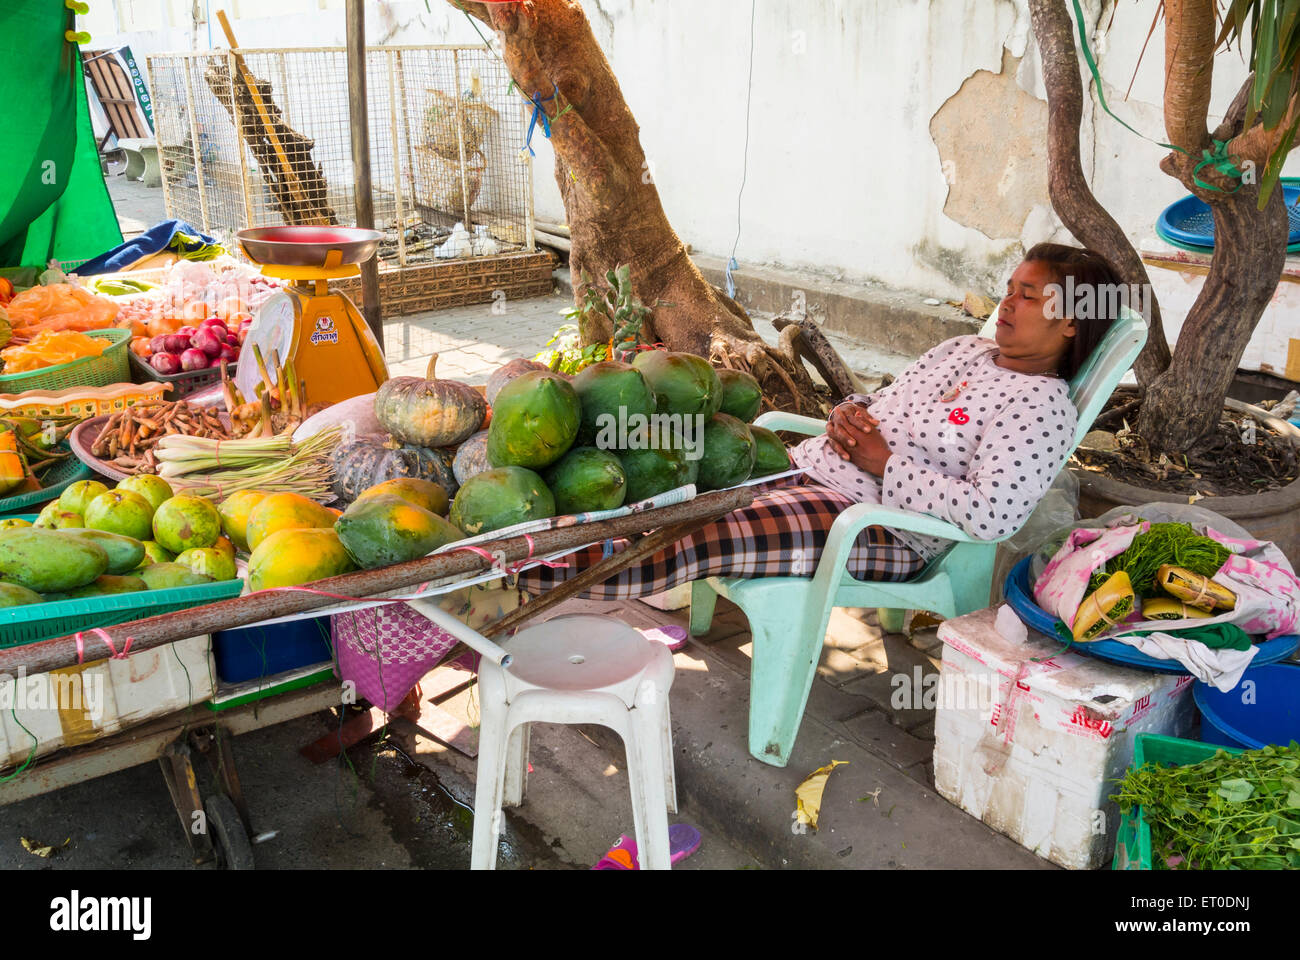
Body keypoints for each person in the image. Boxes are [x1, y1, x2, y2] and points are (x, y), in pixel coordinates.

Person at [519, 243, 1125, 600]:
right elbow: (884, 407)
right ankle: (524, 539)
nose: (1008, 304)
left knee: (698, 535)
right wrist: (846, 420)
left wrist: (884, 463)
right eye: (1010, 288)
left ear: (1071, 321)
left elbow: (992, 515)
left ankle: (531, 578)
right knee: (675, 491)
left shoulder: (1040, 406)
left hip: (878, 529)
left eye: (1028, 295)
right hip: (815, 477)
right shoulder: (963, 349)